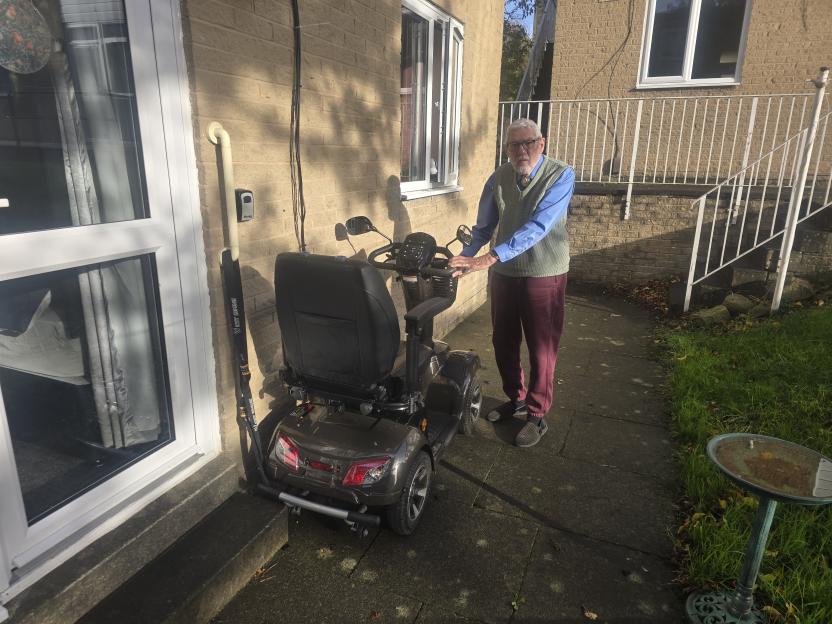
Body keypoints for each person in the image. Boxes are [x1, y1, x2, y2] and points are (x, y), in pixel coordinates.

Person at [449, 118, 574, 448]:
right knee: (503, 341)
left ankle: (536, 414)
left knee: (541, 348)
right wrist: (465, 258)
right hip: (505, 276)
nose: (522, 151)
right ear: (506, 149)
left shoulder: (561, 175)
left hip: (544, 273)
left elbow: (539, 226)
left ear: (541, 143)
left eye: (528, 143)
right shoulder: (498, 178)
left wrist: (487, 259)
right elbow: (483, 227)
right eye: (514, 145)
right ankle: (515, 398)